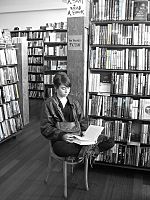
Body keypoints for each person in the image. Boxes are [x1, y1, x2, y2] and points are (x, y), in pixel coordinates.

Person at [40, 72, 114, 159]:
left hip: (78, 136)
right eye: (63, 88)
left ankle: (86, 149)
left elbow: (81, 120)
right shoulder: (48, 103)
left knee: (110, 141)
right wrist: (62, 135)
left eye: (68, 88)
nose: (67, 91)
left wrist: (85, 132)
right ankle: (89, 150)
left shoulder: (74, 102)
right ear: (56, 88)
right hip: (61, 139)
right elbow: (46, 127)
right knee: (62, 149)